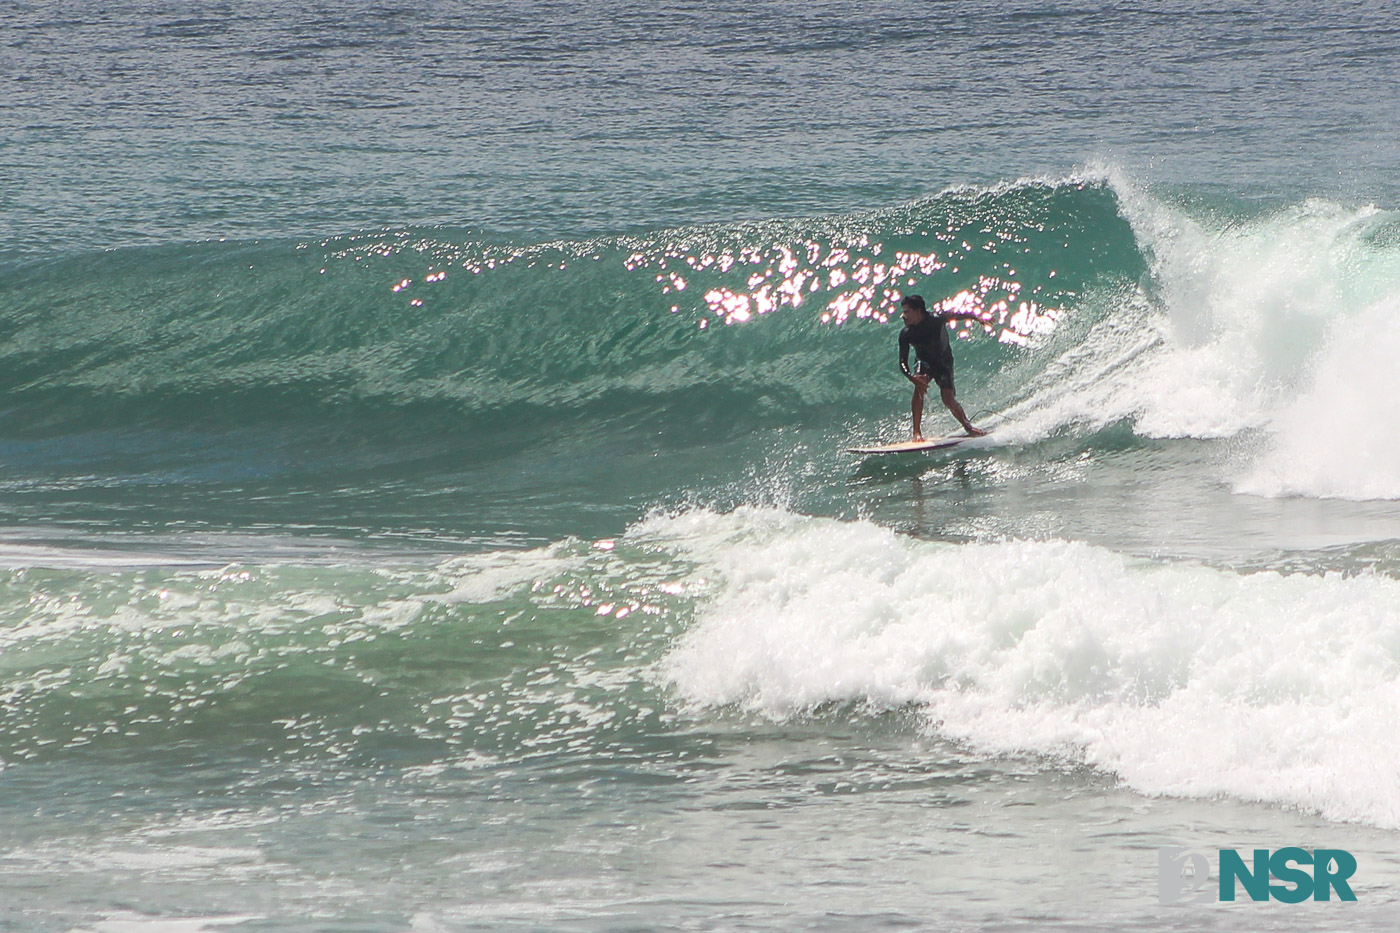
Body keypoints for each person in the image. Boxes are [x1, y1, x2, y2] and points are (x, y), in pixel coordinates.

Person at [896, 294, 987, 440]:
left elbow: (958, 315)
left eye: (907, 312)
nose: (903, 316)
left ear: (918, 311)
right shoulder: (906, 334)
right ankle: (916, 433)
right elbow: (902, 361)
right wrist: (911, 377)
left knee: (948, 399)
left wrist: (976, 318)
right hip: (924, 363)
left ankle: (968, 427)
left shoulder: (936, 320)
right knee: (918, 388)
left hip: (943, 362)